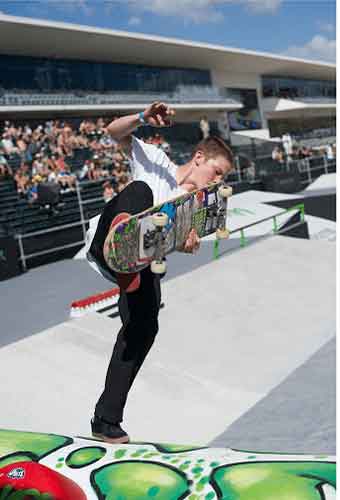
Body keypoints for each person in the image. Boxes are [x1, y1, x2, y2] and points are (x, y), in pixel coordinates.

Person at [86, 102, 234, 443]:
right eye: (217, 173)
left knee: (144, 327)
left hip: (140, 266)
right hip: (107, 240)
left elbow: (169, 242)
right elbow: (111, 132)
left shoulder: (191, 207)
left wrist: (184, 243)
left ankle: (105, 420)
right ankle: (125, 241)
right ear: (199, 157)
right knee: (141, 191)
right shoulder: (158, 162)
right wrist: (141, 118)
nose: (218, 181)